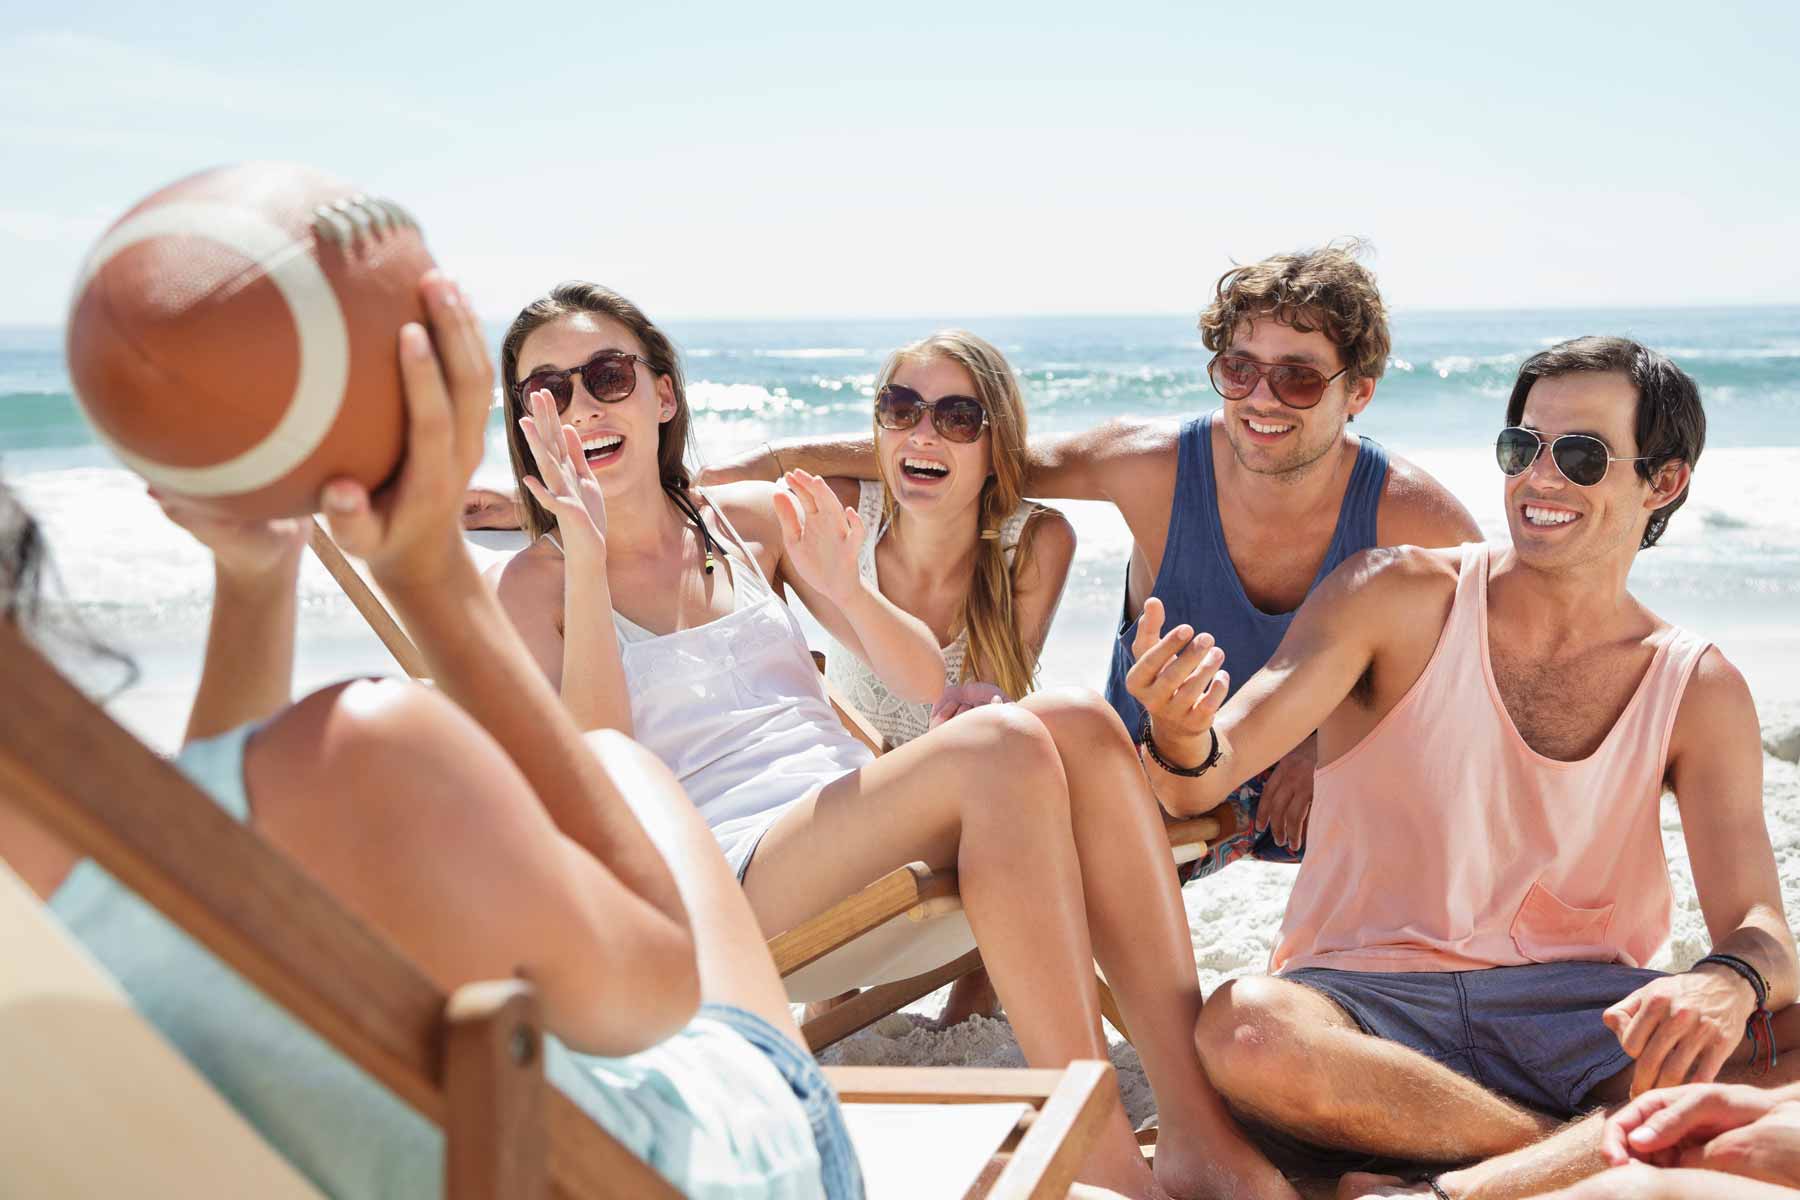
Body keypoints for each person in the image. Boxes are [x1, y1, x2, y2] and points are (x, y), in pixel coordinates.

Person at [0, 272, 862, 1198]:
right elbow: (656, 990)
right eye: (547, 389)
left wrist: (259, 586)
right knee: (619, 766)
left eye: (604, 375)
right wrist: (428, 576)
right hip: (722, 1165)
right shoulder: (364, 750)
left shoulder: (56, 913)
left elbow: (198, 914)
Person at [489, 281, 1293, 1199]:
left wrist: (849, 588)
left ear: (661, 394)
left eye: (606, 375)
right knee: (1001, 747)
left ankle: (1196, 1128)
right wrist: (585, 555)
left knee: (1074, 717)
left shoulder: (739, 523)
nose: (582, 406)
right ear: (525, 425)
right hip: (719, 875)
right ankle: (1101, 1156)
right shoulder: (531, 587)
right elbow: (604, 768)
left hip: (842, 813)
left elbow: (923, 680)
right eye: (547, 392)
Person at [1124, 335, 1799, 1197]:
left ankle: (1442, 1169)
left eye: (1582, 456)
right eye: (1523, 447)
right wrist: (1180, 732)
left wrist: (1725, 981)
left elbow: (1762, 928)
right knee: (1246, 1030)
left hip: (1588, 1018)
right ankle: (1552, 1165)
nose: (1540, 479)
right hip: (1365, 1007)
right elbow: (1207, 771)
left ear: (1663, 483)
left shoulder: (1695, 684)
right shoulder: (1395, 595)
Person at [699, 241, 1479, 875]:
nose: (1261, 398)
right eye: (1240, 369)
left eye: (1299, 378)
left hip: (1321, 788)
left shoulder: (1412, 514)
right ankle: (976, 1007)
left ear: (1361, 393)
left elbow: (1479, 670)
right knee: (1033, 849)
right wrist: (769, 458)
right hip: (1148, 777)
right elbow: (974, 452)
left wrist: (1326, 744)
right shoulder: (1153, 467)